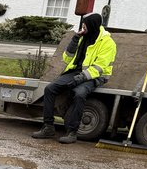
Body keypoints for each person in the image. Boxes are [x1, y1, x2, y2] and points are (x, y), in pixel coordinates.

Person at [32, 12, 116, 144]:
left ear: (92, 25)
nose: (83, 26)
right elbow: (67, 58)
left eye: (85, 24)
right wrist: (75, 39)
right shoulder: (83, 37)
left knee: (79, 94)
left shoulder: (107, 42)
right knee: (49, 89)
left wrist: (81, 78)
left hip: (95, 76)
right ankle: (48, 127)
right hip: (76, 71)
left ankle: (72, 132)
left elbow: (99, 67)